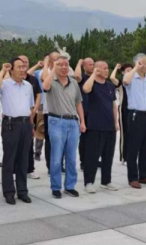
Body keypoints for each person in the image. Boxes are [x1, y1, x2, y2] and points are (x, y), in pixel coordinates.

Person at [42, 56, 87, 199]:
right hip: (56, 121)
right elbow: (45, 87)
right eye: (60, 64)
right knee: (56, 158)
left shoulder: (73, 83)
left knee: (72, 158)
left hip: (73, 122)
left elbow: (78, 103)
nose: (63, 67)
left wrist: (82, 121)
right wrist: (52, 69)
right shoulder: (51, 80)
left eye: (66, 64)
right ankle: (56, 187)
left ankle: (69, 186)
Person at [0, 58, 36, 205]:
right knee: (9, 159)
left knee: (23, 159)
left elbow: (31, 107)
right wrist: (3, 70)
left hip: (26, 124)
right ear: (11, 69)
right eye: (19, 67)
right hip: (11, 124)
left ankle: (22, 191)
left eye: (24, 67)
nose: (23, 69)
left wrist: (32, 125)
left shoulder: (28, 86)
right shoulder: (5, 84)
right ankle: (9, 192)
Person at [123, 55, 146, 189]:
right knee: (134, 147)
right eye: (145, 63)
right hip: (135, 115)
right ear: (138, 63)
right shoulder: (130, 76)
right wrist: (135, 68)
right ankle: (133, 177)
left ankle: (144, 175)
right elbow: (125, 81)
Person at [82, 62, 119, 194]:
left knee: (108, 155)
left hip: (109, 126)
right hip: (95, 126)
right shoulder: (91, 83)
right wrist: (93, 74)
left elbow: (113, 105)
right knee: (92, 156)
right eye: (104, 68)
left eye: (107, 68)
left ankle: (106, 181)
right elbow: (85, 89)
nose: (107, 71)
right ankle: (88, 182)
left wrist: (116, 122)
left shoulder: (110, 86)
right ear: (97, 69)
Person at [19, 55, 42, 180]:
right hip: (16, 116)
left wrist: (34, 110)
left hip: (31, 114)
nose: (24, 64)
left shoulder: (32, 79)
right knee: (16, 144)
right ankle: (16, 170)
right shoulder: (10, 79)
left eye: (26, 62)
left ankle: (30, 169)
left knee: (29, 142)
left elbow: (38, 95)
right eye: (21, 62)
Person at [110, 63, 134, 165]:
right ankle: (124, 157)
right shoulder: (121, 83)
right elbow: (112, 78)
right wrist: (116, 67)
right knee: (125, 133)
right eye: (127, 70)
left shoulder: (135, 82)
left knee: (133, 134)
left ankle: (132, 156)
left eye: (131, 70)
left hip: (134, 109)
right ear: (123, 72)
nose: (130, 72)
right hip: (124, 109)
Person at [75, 58, 95, 170]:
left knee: (95, 138)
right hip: (85, 111)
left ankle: (94, 159)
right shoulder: (82, 78)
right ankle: (83, 161)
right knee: (85, 137)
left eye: (93, 64)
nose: (92, 66)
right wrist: (79, 62)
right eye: (89, 64)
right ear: (84, 66)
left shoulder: (96, 77)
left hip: (96, 111)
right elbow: (77, 76)